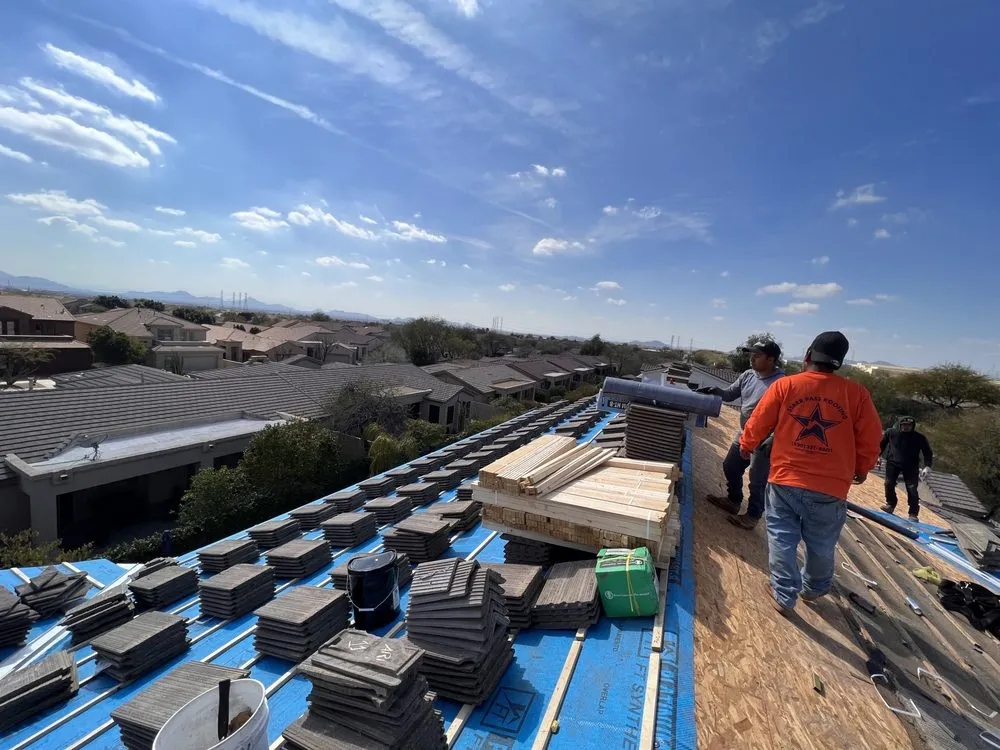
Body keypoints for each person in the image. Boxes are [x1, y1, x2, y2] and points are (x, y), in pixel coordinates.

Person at [738, 331, 883, 615]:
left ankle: (784, 595)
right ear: (839, 362)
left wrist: (746, 445)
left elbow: (758, 421)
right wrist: (862, 468)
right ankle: (814, 589)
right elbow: (871, 437)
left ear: (807, 356)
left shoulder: (786, 386)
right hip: (830, 488)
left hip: (785, 480)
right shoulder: (857, 394)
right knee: (821, 542)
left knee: (782, 537)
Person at [698, 339, 785, 530]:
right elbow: (730, 394)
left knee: (757, 479)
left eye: (757, 355)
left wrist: (773, 438)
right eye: (751, 355)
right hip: (745, 432)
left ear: (771, 359)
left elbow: (787, 417)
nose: (752, 359)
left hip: (766, 439)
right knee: (731, 466)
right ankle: (733, 500)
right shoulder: (748, 375)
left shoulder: (782, 383)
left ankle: (753, 516)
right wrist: (716, 391)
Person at [879, 416, 933, 522]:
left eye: (909, 425)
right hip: (893, 462)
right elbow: (881, 445)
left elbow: (927, 452)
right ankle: (890, 504)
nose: (906, 427)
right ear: (900, 425)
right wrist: (878, 456)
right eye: (904, 425)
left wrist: (927, 466)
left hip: (911, 466)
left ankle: (913, 513)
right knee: (888, 483)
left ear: (912, 426)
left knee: (912, 489)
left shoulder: (919, 437)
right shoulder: (891, 433)